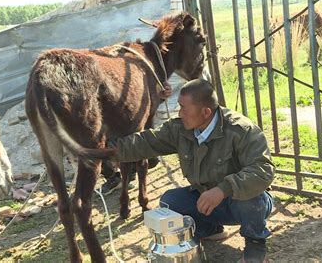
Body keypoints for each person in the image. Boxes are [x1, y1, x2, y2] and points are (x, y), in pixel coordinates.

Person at [111, 78, 274, 263]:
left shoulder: (241, 130)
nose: (179, 113)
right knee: (170, 202)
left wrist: (223, 189)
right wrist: (106, 151)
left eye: (183, 108)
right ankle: (212, 230)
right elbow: (147, 142)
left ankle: (255, 249)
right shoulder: (180, 129)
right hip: (207, 201)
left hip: (242, 204)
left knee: (252, 198)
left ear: (206, 112)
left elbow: (263, 170)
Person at [100, 82, 173, 195]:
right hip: (107, 119)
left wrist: (159, 95)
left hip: (132, 117)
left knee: (148, 158)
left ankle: (130, 172)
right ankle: (114, 176)